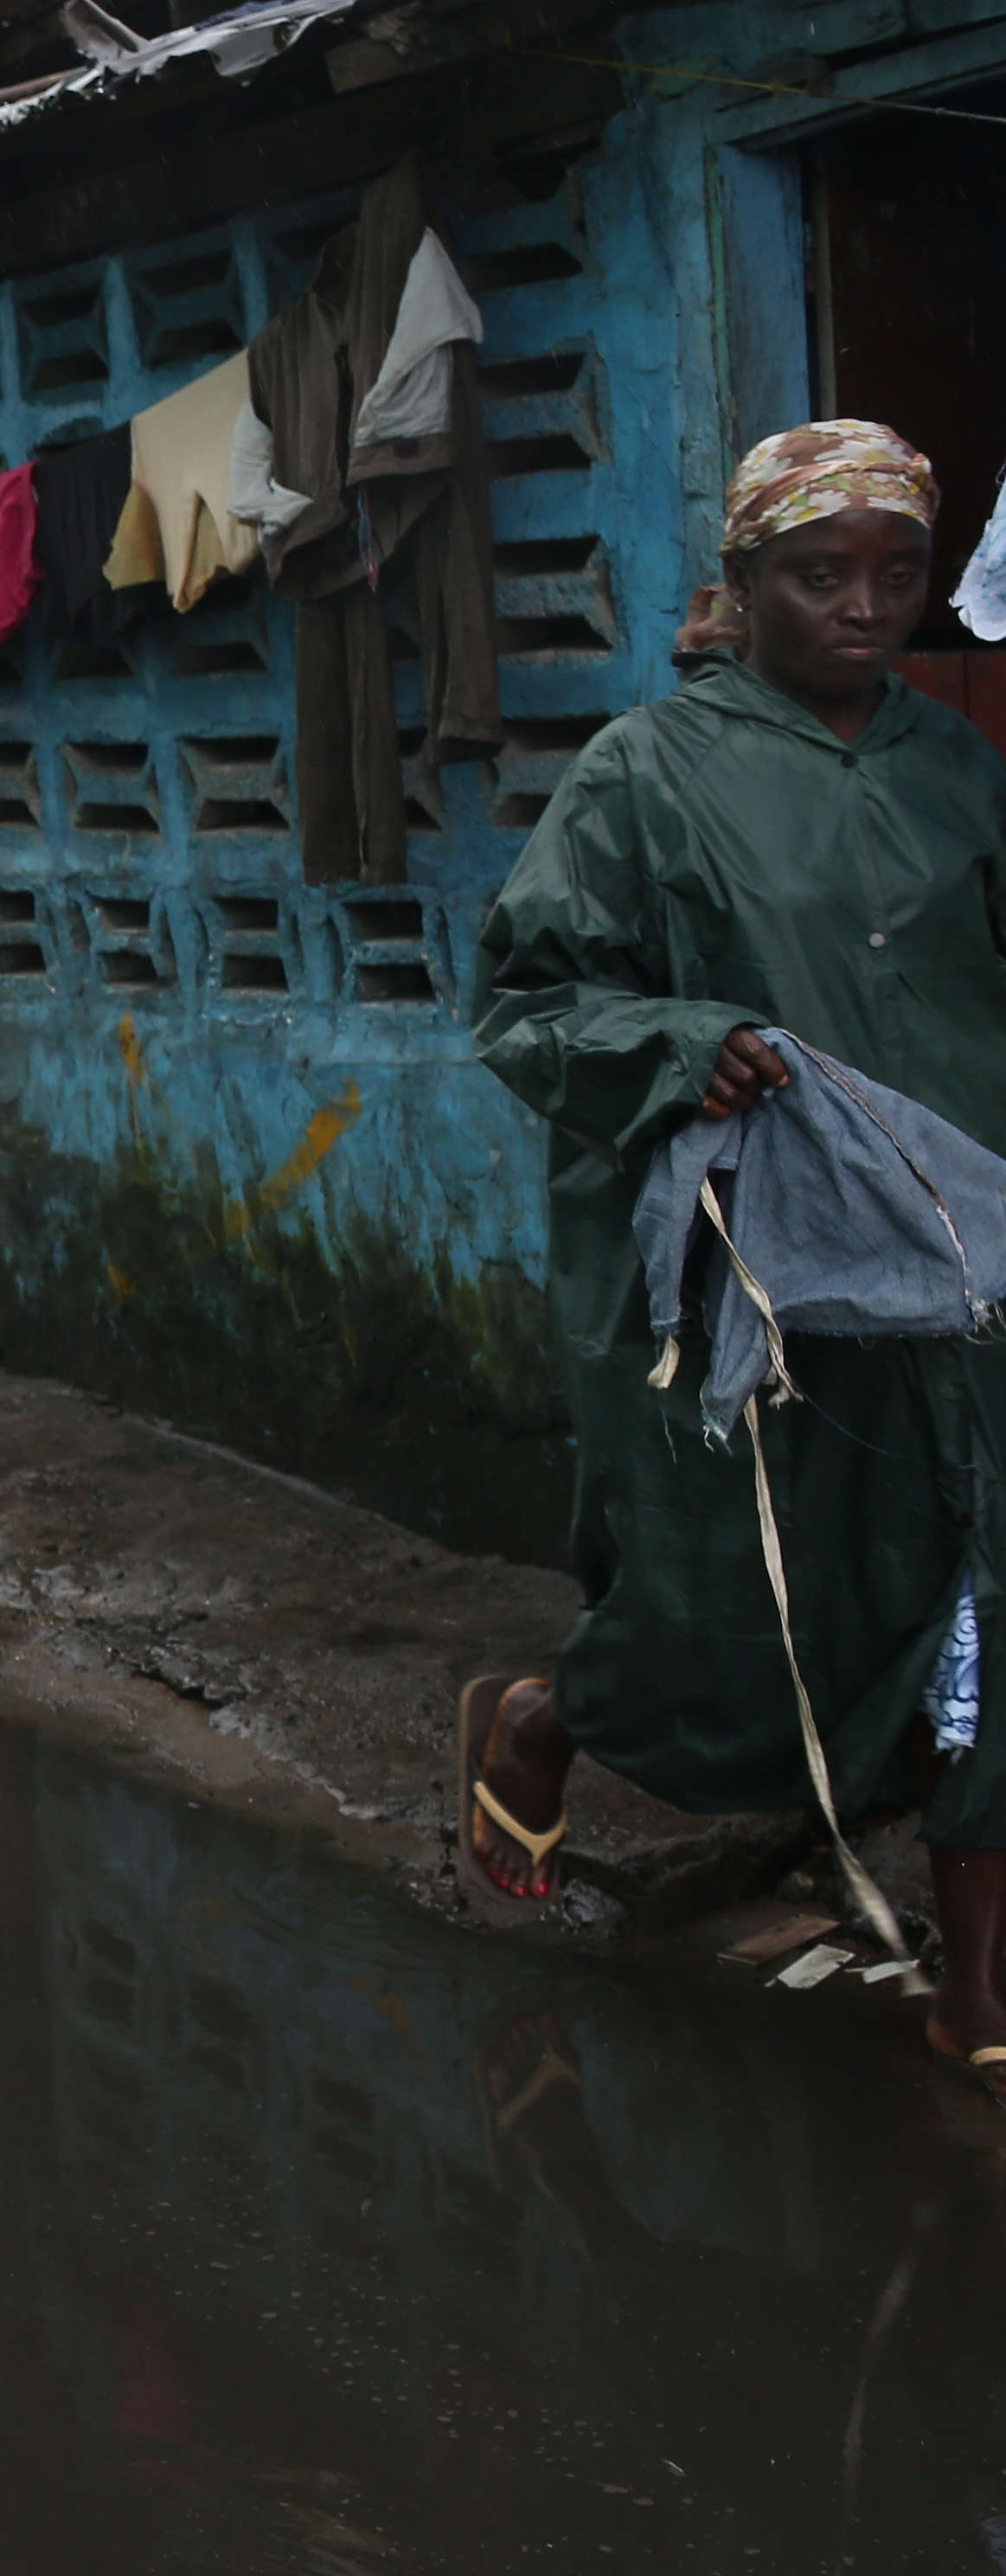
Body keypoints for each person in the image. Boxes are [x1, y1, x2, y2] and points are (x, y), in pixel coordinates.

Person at [464, 419, 1006, 2098]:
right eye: (816, 575)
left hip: (967, 1265)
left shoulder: (953, 769)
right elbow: (524, 1002)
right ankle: (543, 1718)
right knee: (745, 1620)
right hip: (758, 1275)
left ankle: (972, 1989)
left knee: (993, 1601)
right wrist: (679, 1039)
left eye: (894, 576)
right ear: (743, 583)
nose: (861, 607)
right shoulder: (646, 773)